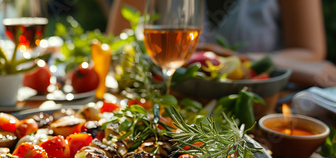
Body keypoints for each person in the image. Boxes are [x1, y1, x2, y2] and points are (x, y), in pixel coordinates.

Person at [106, 0, 336, 88]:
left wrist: (232, 58)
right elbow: (115, 46)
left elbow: (311, 51)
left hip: (260, 110)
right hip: (175, 104)